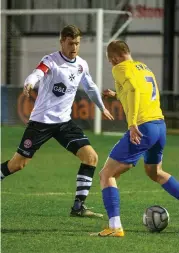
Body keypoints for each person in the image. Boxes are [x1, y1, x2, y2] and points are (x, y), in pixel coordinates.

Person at [1, 25, 114, 218]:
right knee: (17, 164)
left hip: (64, 123)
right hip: (41, 122)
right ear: (62, 42)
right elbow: (37, 73)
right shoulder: (51, 61)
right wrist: (29, 83)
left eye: (77, 43)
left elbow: (91, 87)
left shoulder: (81, 64)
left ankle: (78, 207)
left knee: (91, 158)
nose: (74, 47)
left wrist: (102, 107)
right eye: (70, 43)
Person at [95, 40, 179, 236]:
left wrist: (132, 123)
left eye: (110, 61)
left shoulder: (120, 68)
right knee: (155, 172)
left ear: (115, 58)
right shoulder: (144, 68)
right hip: (159, 126)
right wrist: (117, 94)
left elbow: (132, 90)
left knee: (106, 175)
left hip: (142, 127)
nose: (111, 65)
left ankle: (115, 227)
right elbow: (142, 91)